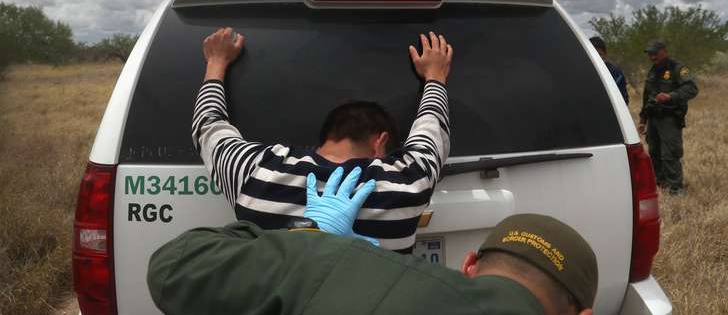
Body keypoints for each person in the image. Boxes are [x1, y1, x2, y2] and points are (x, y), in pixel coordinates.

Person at [148, 167, 598, 315]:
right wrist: (436, 83)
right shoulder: (416, 167)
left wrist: (311, 237)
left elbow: (174, 265)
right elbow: (426, 149)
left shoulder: (326, 266)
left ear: (469, 264)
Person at [192, 27, 453, 251]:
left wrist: (216, 62)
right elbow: (431, 126)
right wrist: (435, 76)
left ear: (328, 135)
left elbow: (209, 125)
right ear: (380, 141)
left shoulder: (256, 172)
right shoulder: (408, 184)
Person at [638, 40, 698, 195]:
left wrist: (671, 96)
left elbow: (692, 88)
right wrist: (643, 119)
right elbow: (647, 96)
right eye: (650, 54)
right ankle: (661, 183)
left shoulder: (677, 68)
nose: (652, 57)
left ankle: (676, 187)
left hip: (670, 118)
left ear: (664, 51)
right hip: (653, 118)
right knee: (654, 152)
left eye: (655, 54)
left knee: (670, 153)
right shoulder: (653, 70)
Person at [589, 36, 629, 104]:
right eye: (593, 54)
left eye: (599, 54)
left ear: (605, 54)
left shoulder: (615, 72)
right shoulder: (581, 72)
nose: (596, 58)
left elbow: (623, 100)